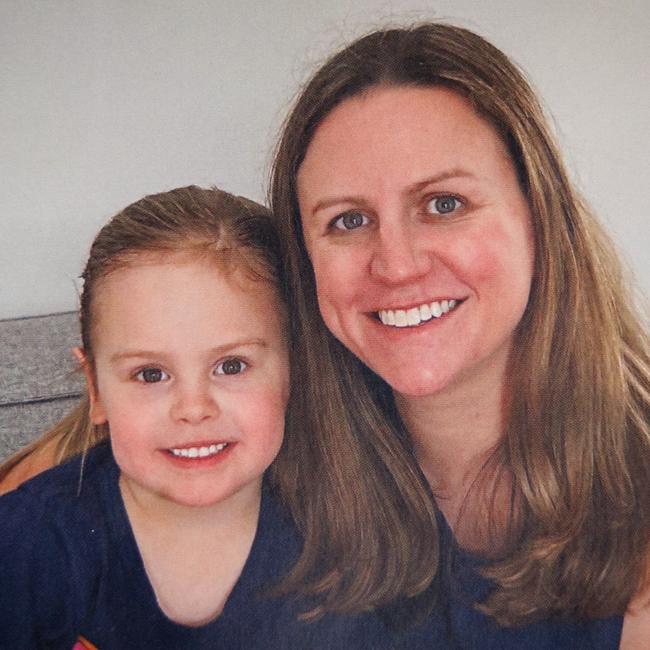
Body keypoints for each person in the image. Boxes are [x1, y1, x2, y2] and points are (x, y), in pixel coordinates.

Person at [269, 23, 650, 648]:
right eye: (349, 220)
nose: (397, 264)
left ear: (538, 214)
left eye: (444, 204)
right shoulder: (260, 462)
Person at [0, 186, 382, 648]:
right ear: (96, 390)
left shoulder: (356, 531)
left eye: (232, 366)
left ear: (294, 374)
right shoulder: (25, 544)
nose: (193, 408)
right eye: (151, 374)